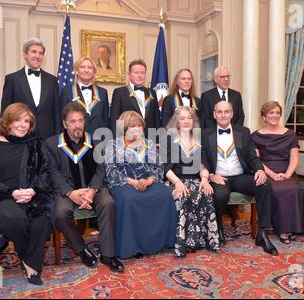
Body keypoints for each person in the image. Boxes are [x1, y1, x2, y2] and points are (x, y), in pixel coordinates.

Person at [0, 103, 53, 286]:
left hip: (33, 193)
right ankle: (31, 263)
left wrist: (33, 190)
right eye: (18, 120)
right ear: (8, 122)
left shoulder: (36, 143)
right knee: (14, 217)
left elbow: (46, 171)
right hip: (0, 195)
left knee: (44, 218)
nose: (23, 125)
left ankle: (29, 261)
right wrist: (13, 192)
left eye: (27, 121)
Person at [44, 102, 124, 272]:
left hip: (92, 188)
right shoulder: (51, 144)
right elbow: (52, 173)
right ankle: (82, 249)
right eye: (72, 121)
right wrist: (70, 192)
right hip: (66, 190)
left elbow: (101, 168)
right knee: (59, 212)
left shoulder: (95, 140)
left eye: (80, 120)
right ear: (65, 124)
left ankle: (108, 255)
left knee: (108, 203)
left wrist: (93, 189)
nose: (77, 125)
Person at [201, 101, 278, 255]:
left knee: (265, 185)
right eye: (220, 112)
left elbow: (252, 157)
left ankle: (262, 233)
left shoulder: (243, 131)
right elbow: (202, 159)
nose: (223, 115)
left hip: (240, 175)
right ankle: (218, 230)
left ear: (232, 114)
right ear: (214, 114)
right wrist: (210, 175)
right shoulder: (205, 133)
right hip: (219, 177)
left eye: (227, 111)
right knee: (220, 195)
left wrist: (260, 170)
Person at [104, 111, 177, 259]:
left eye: (139, 125)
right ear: (124, 128)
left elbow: (159, 167)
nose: (137, 129)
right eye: (132, 126)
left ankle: (160, 242)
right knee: (130, 199)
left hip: (148, 180)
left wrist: (149, 180)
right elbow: (111, 171)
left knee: (165, 194)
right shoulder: (112, 144)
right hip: (123, 183)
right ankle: (132, 246)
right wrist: (132, 182)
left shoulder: (149, 143)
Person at [251, 101, 304, 244]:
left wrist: (288, 174)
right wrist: (272, 174)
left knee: (294, 188)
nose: (275, 115)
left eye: (277, 113)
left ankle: (294, 227)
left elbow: (295, 158)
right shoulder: (255, 136)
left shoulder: (290, 134)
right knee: (277, 189)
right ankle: (283, 230)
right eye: (271, 113)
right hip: (266, 171)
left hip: (286, 171)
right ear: (263, 116)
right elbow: (256, 160)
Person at [164, 106, 220, 257]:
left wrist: (205, 179)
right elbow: (166, 169)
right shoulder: (170, 139)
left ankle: (202, 240)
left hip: (195, 179)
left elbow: (203, 165)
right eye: (182, 118)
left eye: (189, 118)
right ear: (177, 122)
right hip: (175, 180)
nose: (186, 121)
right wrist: (178, 183)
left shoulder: (199, 139)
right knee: (185, 194)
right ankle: (183, 242)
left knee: (205, 191)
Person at [1, 38, 60, 140]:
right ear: (25, 55)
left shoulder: (52, 80)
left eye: (41, 53)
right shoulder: (12, 79)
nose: (37, 56)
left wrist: (57, 138)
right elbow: (5, 112)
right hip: (20, 136)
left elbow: (56, 113)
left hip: (47, 138)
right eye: (34, 52)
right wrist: (6, 137)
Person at [109, 59, 160, 137]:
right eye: (136, 73)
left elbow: (156, 119)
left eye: (142, 73)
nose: (140, 75)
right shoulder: (119, 92)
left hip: (149, 140)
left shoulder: (152, 93)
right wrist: (119, 140)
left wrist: (156, 139)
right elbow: (115, 119)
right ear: (129, 74)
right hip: (127, 139)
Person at [59, 57, 110, 135]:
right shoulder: (67, 91)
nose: (86, 70)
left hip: (98, 140)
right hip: (74, 139)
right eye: (82, 67)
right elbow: (63, 118)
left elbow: (105, 120)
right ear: (76, 71)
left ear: (93, 72)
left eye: (90, 68)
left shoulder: (102, 92)